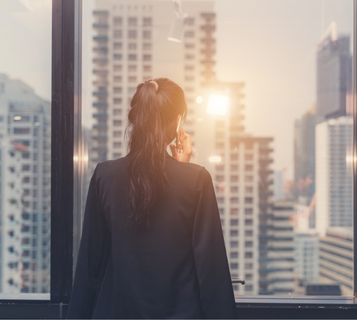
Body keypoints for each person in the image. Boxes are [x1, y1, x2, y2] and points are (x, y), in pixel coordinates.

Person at [67, 78, 237, 318]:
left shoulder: (104, 176)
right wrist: (184, 170)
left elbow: (90, 266)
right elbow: (211, 269)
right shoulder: (197, 179)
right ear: (178, 121)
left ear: (135, 120)